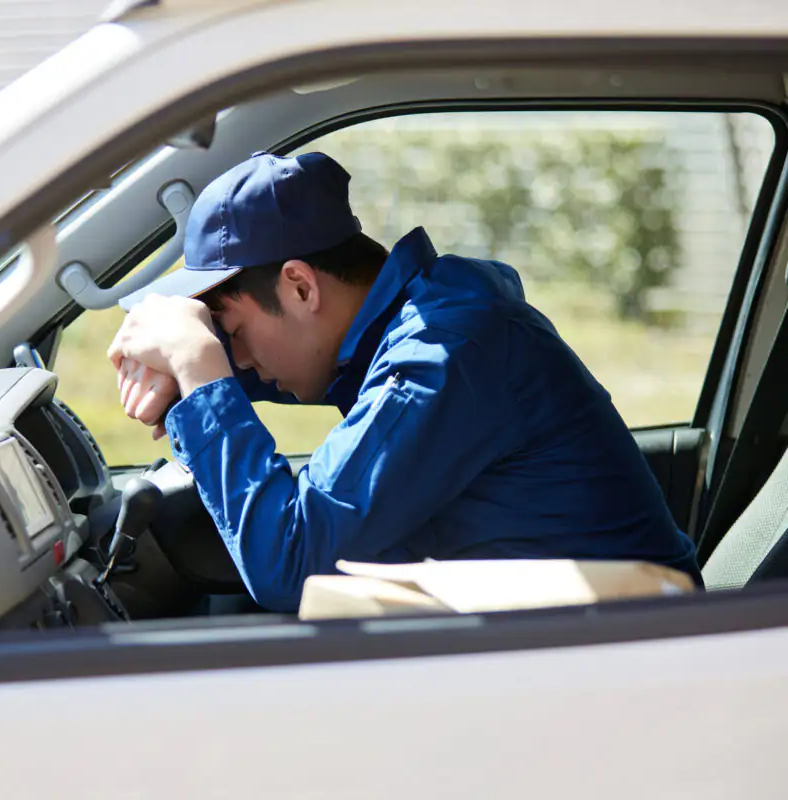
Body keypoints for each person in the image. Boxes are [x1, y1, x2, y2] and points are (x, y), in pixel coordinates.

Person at [107, 150, 701, 613]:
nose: (236, 358)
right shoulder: (423, 324)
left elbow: (290, 564)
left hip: (625, 665)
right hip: (581, 647)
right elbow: (267, 366)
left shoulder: (444, 355)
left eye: (232, 332)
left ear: (301, 287)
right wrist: (188, 374)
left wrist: (199, 368)